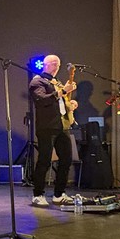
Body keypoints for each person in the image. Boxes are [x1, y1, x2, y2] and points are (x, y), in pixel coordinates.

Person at [29, 54, 78, 207]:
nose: (57, 67)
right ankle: (38, 194)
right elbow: (42, 100)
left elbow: (60, 103)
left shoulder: (57, 82)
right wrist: (62, 92)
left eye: (59, 64)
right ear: (46, 64)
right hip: (47, 127)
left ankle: (59, 194)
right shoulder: (37, 81)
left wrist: (69, 102)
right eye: (54, 63)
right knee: (44, 160)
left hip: (62, 125)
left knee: (66, 159)